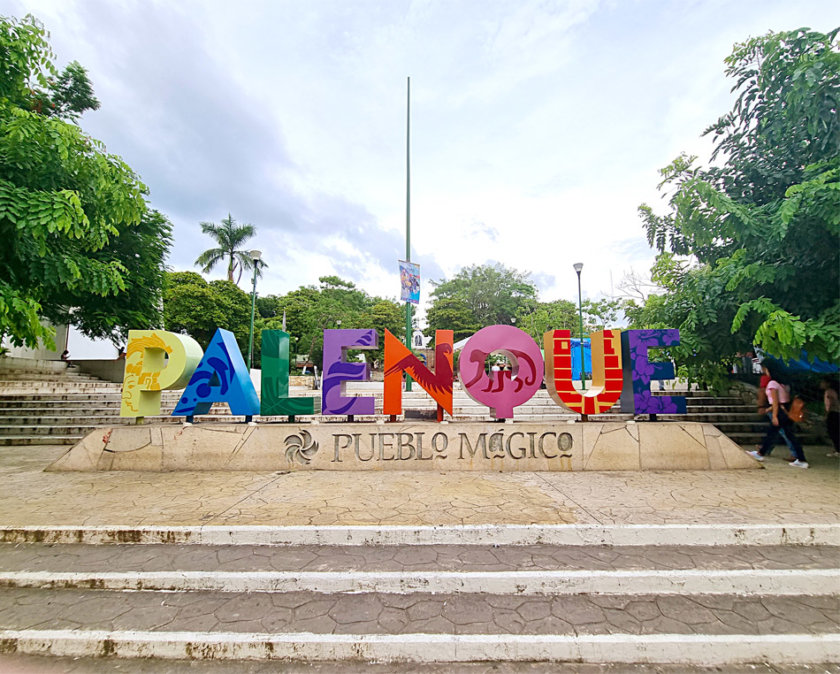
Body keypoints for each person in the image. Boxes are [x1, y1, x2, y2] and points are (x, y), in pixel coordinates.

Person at [747, 363, 808, 468]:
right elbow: (783, 401)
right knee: (780, 434)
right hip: (785, 411)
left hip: (779, 412)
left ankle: (801, 459)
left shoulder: (772, 384)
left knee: (779, 434)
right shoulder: (784, 384)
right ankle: (761, 453)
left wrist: (774, 415)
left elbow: (775, 402)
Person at [821, 376, 840, 457]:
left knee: (833, 432)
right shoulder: (833, 391)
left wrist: (826, 414)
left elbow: (829, 404)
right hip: (837, 412)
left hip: (833, 413)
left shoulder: (828, 392)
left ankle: (838, 450)